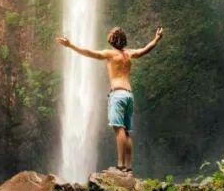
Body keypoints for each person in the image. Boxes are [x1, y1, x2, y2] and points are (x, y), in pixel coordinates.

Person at [56, 26, 164, 174]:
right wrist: (157, 38)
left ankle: (120, 165)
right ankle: (129, 166)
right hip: (128, 95)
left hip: (118, 94)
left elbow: (89, 53)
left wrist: (70, 45)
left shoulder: (110, 54)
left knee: (118, 129)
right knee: (126, 132)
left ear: (112, 40)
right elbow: (146, 49)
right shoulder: (129, 54)